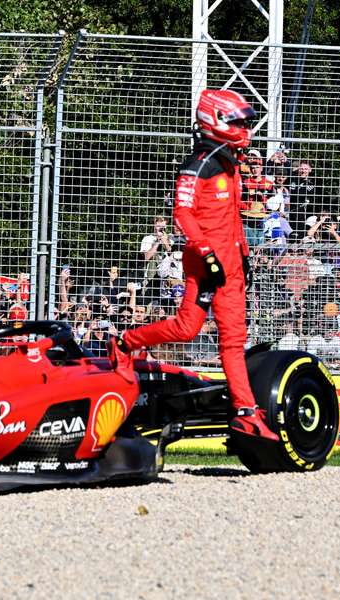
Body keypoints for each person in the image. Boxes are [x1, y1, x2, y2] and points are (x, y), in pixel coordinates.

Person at [112, 88, 277, 441]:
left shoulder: (231, 161)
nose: (245, 127)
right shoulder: (197, 164)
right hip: (206, 265)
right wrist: (205, 253)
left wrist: (244, 256)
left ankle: (246, 412)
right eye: (239, 121)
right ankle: (125, 341)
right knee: (187, 329)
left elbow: (232, 217)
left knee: (234, 340)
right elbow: (181, 214)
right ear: (215, 120)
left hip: (232, 265)